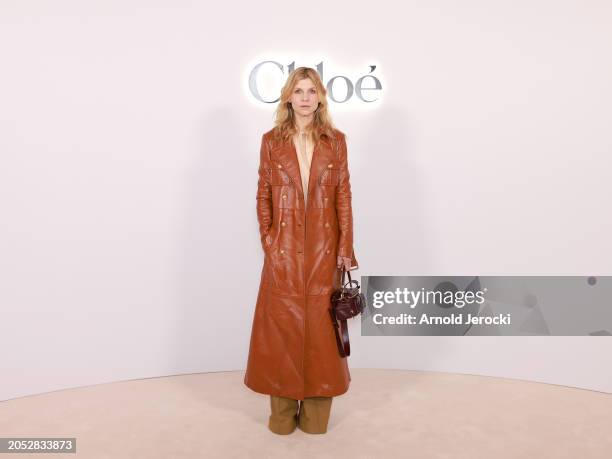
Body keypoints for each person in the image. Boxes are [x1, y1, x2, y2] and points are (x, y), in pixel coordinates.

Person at [244, 66, 359, 435]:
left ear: (320, 96)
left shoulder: (336, 140)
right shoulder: (271, 140)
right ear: (288, 97)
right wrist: (269, 240)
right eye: (299, 90)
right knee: (281, 332)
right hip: (284, 252)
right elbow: (263, 194)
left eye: (312, 90)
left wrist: (346, 247)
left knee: (322, 335)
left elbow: (343, 195)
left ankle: (314, 417)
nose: (306, 97)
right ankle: (280, 416)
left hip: (325, 251)